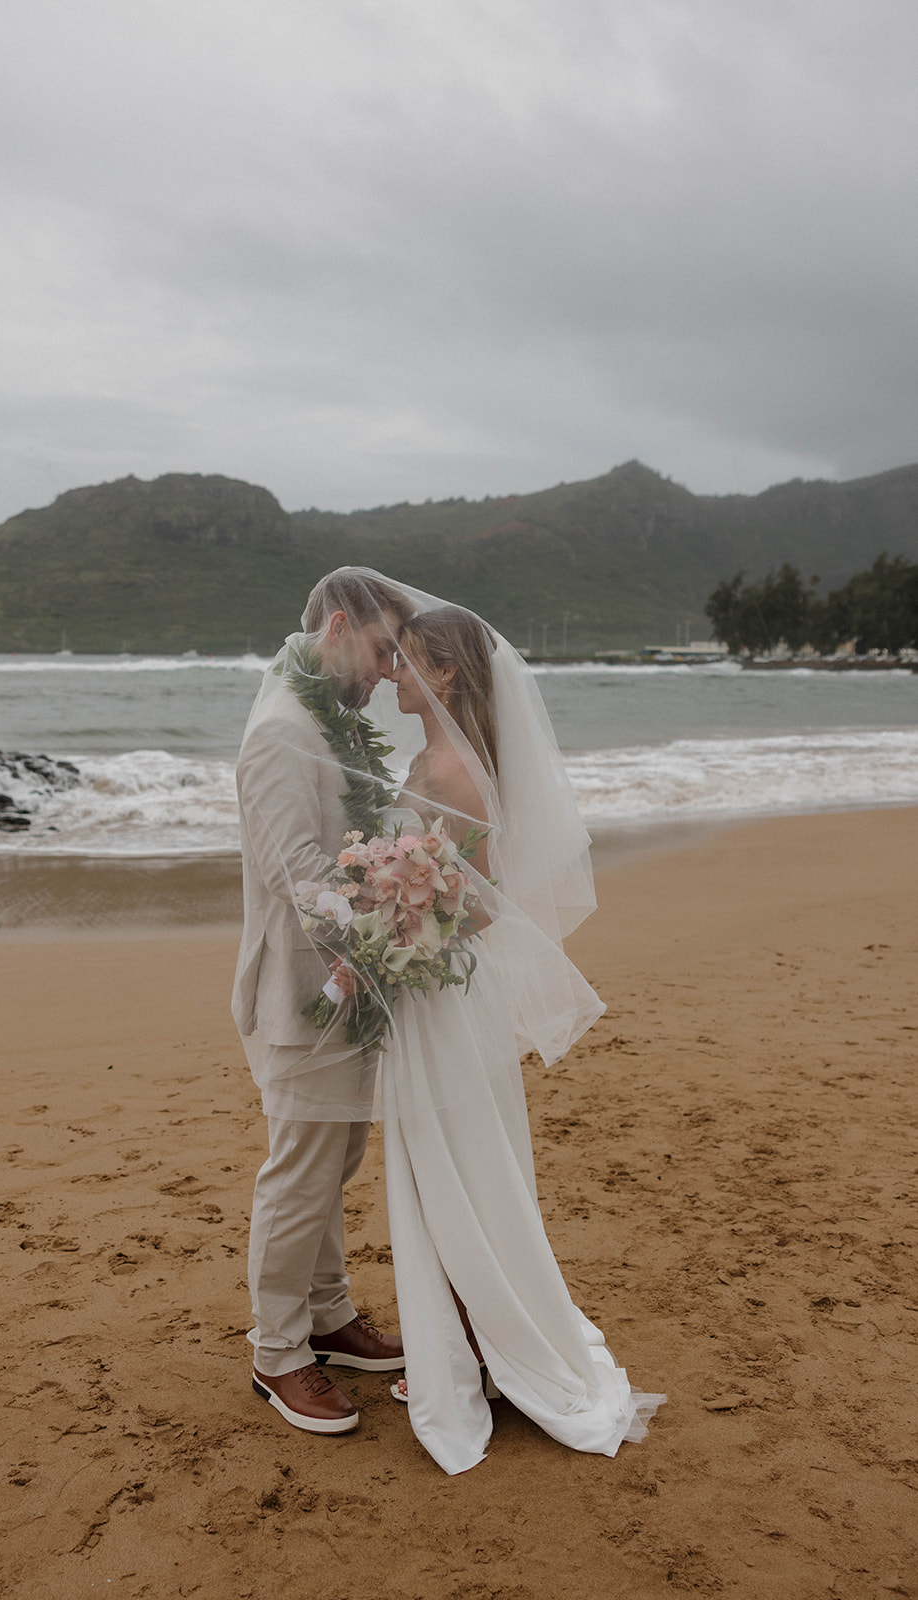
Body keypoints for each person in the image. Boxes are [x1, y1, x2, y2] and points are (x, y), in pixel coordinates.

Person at [376, 597, 666, 1475]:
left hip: (439, 989)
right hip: (425, 987)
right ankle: (467, 1335)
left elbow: (474, 902)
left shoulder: (455, 770)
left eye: (405, 659)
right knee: (449, 1168)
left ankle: (486, 1342)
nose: (390, 672)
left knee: (461, 1167)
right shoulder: (435, 755)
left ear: (448, 672)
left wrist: (387, 923)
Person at [232, 570, 412, 1435]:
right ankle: (276, 1354)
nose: (385, 672)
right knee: (301, 1168)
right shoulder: (279, 730)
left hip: (351, 983)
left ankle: (329, 1315)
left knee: (335, 1159)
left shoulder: (325, 719)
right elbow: (296, 877)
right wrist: (396, 914)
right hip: (300, 989)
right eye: (381, 651)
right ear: (338, 627)